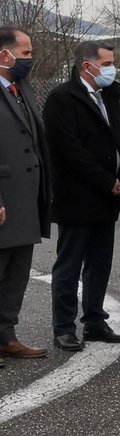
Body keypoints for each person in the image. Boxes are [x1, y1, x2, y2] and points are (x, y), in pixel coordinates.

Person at [42, 41, 120, 351]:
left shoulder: (109, 97)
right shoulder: (62, 99)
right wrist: (108, 181)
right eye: (107, 63)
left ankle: (94, 321)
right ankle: (64, 328)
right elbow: (69, 151)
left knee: (100, 262)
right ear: (87, 66)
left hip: (107, 199)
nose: (112, 68)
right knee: (70, 264)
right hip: (77, 198)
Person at [0, 26, 50, 361]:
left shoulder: (22, 88)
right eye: (26, 53)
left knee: (17, 271)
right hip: (4, 198)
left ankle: (5, 336)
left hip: (26, 198)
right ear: (5, 55)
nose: (30, 59)